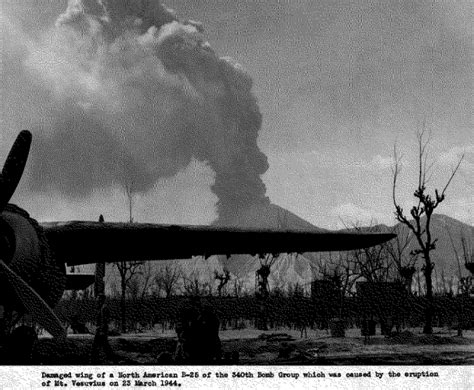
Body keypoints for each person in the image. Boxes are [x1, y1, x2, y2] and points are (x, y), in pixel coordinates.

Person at [90, 294, 115, 363]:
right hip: (101, 330)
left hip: (101, 330)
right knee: (104, 345)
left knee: (97, 346)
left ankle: (94, 360)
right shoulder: (101, 307)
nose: (97, 300)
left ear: (101, 299)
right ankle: (111, 358)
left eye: (98, 299)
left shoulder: (104, 308)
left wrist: (101, 329)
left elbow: (104, 320)